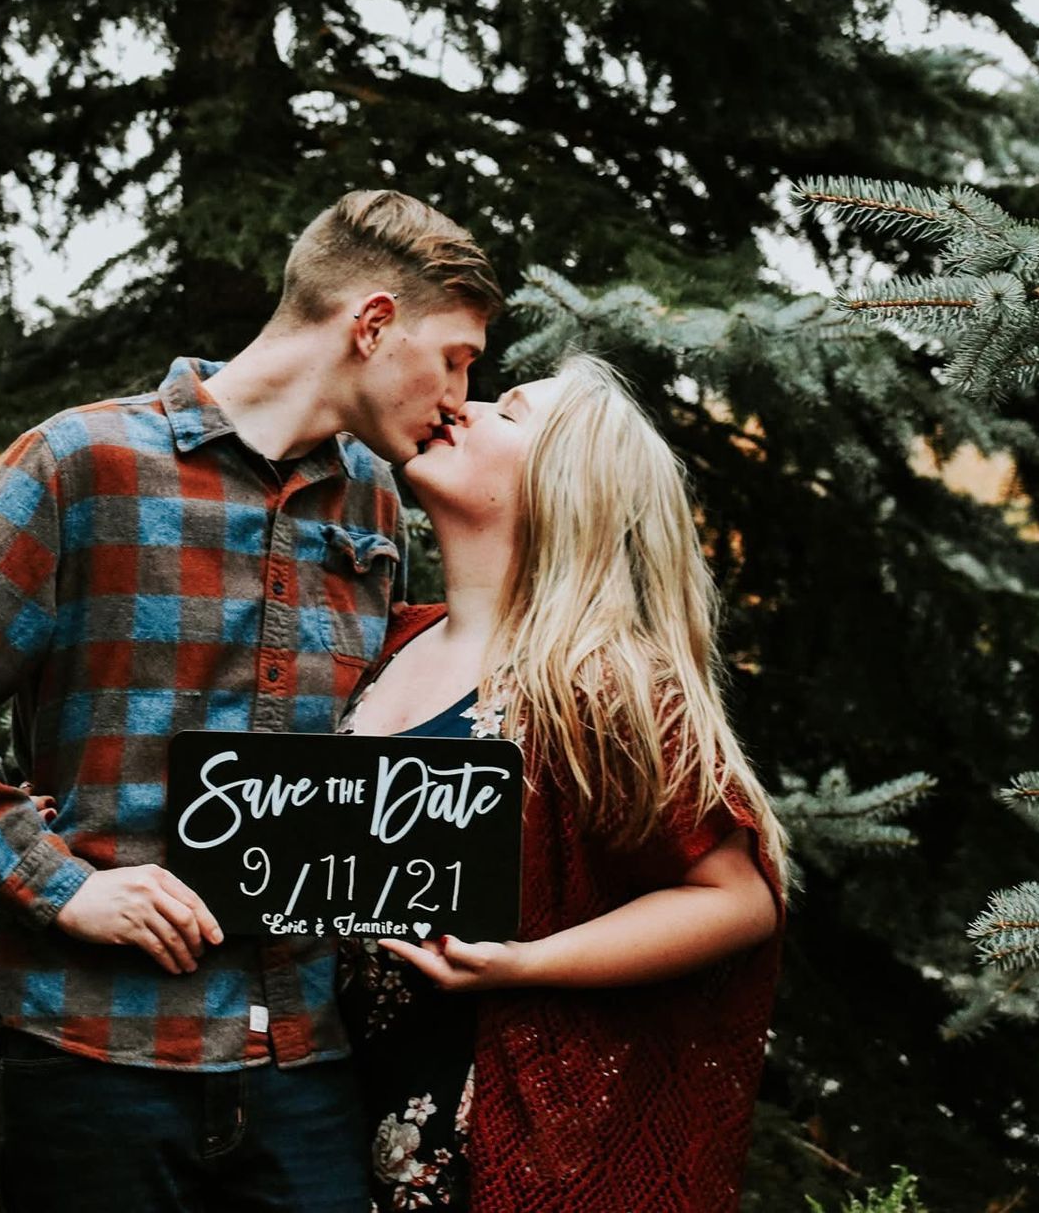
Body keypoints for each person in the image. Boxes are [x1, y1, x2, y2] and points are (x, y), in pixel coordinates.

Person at [0, 190, 502, 1212]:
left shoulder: (372, 498)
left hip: (304, 1059)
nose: (462, 395)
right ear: (371, 324)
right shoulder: (81, 462)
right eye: (455, 356)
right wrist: (64, 886)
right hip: (100, 1053)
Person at [335, 351, 790, 1211]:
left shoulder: (600, 679)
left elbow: (735, 897)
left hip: (493, 1146)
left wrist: (527, 965)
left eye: (508, 412)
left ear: (565, 487)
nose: (460, 407)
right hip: (324, 1120)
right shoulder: (383, 640)